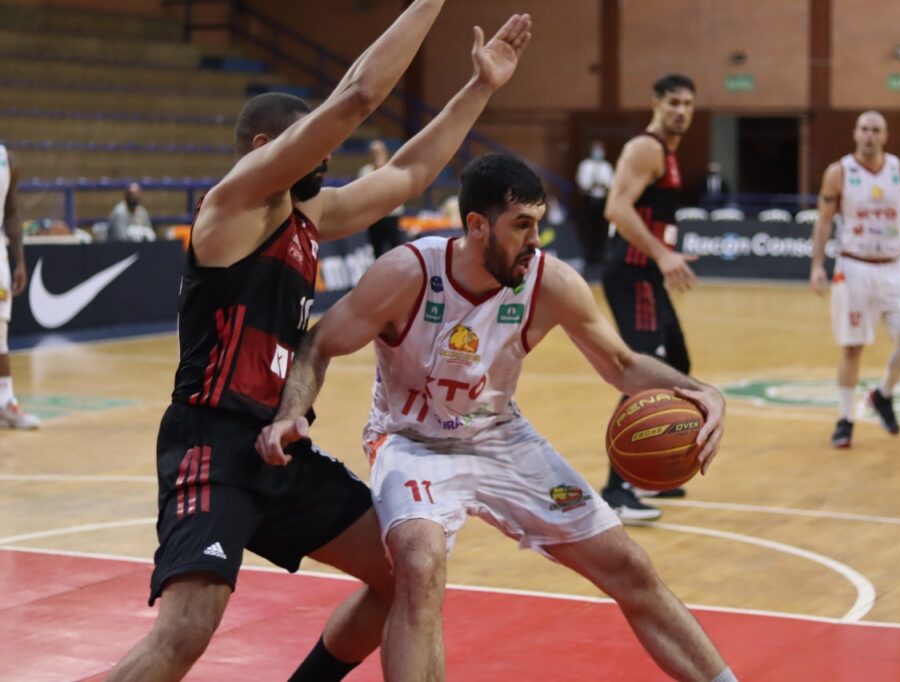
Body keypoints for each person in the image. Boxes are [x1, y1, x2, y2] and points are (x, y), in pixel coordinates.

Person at [106, 6, 532, 681]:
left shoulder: (308, 216)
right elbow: (358, 96)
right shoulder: (233, 204)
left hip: (277, 446)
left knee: (404, 573)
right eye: (311, 142)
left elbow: (408, 174)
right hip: (212, 442)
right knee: (186, 631)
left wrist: (479, 87)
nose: (327, 156)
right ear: (264, 147)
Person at [257, 153, 735, 682]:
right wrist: (290, 414)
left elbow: (621, 365)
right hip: (410, 441)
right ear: (477, 226)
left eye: (539, 223)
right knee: (417, 564)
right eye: (521, 225)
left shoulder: (549, 281)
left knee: (630, 566)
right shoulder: (409, 273)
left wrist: (699, 391)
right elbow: (319, 344)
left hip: (500, 436)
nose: (535, 239)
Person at [599, 73, 699, 520]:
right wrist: (661, 254)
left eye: (688, 104)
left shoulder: (668, 153)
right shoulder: (647, 148)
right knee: (644, 373)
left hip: (647, 274)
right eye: (673, 102)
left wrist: (664, 253)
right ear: (656, 103)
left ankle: (643, 471)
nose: (681, 111)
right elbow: (616, 208)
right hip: (632, 271)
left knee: (676, 362)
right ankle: (617, 490)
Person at [810, 110, 900, 448]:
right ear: (855, 133)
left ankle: (883, 394)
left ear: (885, 136)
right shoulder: (839, 172)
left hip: (893, 267)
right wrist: (817, 265)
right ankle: (845, 418)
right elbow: (823, 220)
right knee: (852, 347)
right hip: (854, 266)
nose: (869, 135)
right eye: (864, 129)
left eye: (876, 130)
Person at [0, 144, 41, 430]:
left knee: (0, 332)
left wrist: (20, 261)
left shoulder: (6, 159)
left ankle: (5, 401)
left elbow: (12, 212)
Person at [358, 140, 407, 258]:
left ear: (385, 153)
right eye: (374, 152)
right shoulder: (365, 171)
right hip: (374, 218)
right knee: (377, 252)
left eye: (379, 152)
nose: (376, 155)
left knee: (396, 250)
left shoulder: (394, 169)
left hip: (392, 216)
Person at [575, 140, 615, 272]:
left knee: (602, 230)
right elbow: (583, 184)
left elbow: (611, 184)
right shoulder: (585, 165)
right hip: (589, 200)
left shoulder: (606, 167)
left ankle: (600, 258)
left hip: (603, 200)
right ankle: (588, 258)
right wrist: (593, 185)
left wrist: (602, 185)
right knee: (589, 229)